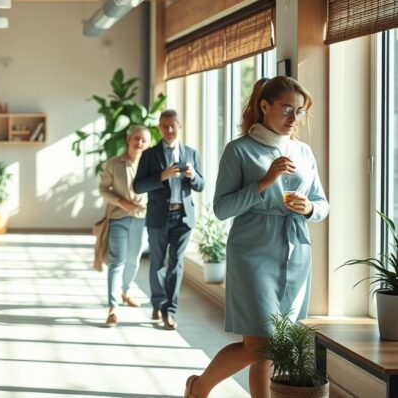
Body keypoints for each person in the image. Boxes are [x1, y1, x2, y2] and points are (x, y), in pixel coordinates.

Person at [184, 77, 329, 398]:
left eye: (300, 111)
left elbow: (323, 204)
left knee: (272, 345)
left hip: (295, 251)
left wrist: (309, 209)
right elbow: (222, 208)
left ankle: (200, 387)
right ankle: (201, 386)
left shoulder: (303, 152)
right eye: (286, 108)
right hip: (252, 251)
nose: (294, 118)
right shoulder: (239, 150)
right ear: (265, 106)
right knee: (260, 343)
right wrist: (265, 181)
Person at [133, 109, 204, 330]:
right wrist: (161, 177)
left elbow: (202, 185)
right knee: (157, 263)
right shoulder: (149, 155)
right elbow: (138, 186)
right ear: (159, 128)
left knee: (176, 264)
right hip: (158, 216)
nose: (169, 130)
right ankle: (157, 302)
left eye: (173, 125)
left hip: (183, 217)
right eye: (165, 126)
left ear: (180, 126)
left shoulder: (191, 154)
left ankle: (169, 311)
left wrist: (193, 177)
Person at [99, 125, 151, 327]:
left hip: (142, 218)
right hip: (118, 217)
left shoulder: (151, 166)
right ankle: (113, 307)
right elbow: (103, 189)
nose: (139, 142)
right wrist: (122, 202)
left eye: (144, 140)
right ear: (128, 140)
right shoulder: (113, 164)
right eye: (136, 138)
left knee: (133, 261)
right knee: (117, 261)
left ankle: (125, 291)